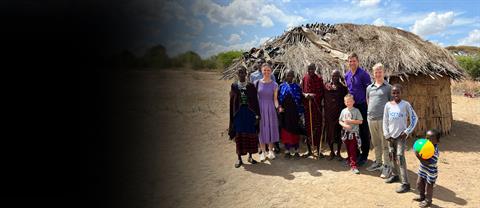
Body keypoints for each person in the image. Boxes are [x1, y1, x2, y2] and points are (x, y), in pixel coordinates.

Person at [383, 84, 418, 193]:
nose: (396, 94)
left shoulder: (405, 105)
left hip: (400, 136)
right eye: (394, 92)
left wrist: (407, 131)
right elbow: (385, 121)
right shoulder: (388, 105)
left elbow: (414, 118)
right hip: (391, 136)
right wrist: (386, 134)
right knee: (392, 155)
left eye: (398, 92)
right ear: (391, 94)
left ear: (401, 93)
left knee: (400, 157)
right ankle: (395, 175)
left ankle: (405, 183)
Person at [229, 66, 261, 168]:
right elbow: (232, 102)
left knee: (250, 133)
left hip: (249, 113)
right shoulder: (234, 86)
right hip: (239, 114)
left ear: (246, 74)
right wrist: (233, 117)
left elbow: (255, 102)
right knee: (239, 135)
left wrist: (257, 116)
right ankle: (239, 158)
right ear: (237, 74)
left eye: (243, 72)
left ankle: (250, 156)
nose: (241, 74)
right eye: (239, 73)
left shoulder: (251, 86)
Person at [344, 53, 372, 166]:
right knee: (353, 130)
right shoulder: (347, 75)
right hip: (352, 107)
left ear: (358, 61)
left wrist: (369, 106)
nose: (352, 63)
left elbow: (369, 92)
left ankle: (364, 155)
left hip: (362, 106)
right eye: (350, 61)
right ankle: (355, 154)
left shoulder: (364, 74)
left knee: (364, 131)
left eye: (354, 61)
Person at [365, 63, 393, 177]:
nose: (378, 74)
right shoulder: (369, 88)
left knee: (385, 144)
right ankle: (378, 162)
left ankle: (387, 166)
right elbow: (368, 101)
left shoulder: (388, 87)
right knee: (375, 143)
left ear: (383, 72)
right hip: (371, 119)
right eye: (375, 72)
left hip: (383, 120)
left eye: (380, 71)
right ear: (373, 73)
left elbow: (392, 104)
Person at [256, 63, 280, 162]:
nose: (266, 72)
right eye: (264, 70)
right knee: (261, 130)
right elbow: (254, 98)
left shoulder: (275, 84)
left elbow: (275, 99)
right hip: (260, 108)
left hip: (270, 109)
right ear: (261, 71)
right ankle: (263, 152)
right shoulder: (256, 83)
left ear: (271, 71)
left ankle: (270, 150)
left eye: (268, 70)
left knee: (270, 129)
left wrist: (278, 108)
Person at [278, 70, 304, 159]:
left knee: (295, 131)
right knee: (286, 131)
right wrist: (280, 107)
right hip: (285, 113)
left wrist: (300, 112)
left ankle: (296, 150)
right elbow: (278, 99)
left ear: (293, 76)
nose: (289, 77)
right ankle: (287, 150)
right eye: (288, 75)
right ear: (285, 76)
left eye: (291, 75)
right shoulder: (281, 86)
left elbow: (300, 100)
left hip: (294, 113)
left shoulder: (297, 87)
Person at [301, 63, 325, 158]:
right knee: (308, 129)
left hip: (316, 108)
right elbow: (301, 91)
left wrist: (314, 96)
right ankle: (309, 150)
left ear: (315, 69)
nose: (310, 71)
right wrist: (305, 95)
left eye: (312, 69)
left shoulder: (319, 79)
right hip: (308, 108)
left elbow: (322, 93)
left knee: (317, 129)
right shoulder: (304, 78)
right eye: (309, 69)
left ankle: (318, 150)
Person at [324, 70, 348, 160]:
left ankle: (338, 153)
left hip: (339, 114)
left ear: (339, 77)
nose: (335, 78)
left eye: (337, 76)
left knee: (338, 133)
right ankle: (332, 152)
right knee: (330, 133)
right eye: (333, 76)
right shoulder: (326, 86)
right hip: (329, 114)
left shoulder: (342, 88)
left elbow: (346, 99)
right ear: (331, 76)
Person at [413, 129, 440, 208]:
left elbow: (427, 162)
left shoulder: (434, 151)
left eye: (431, 139)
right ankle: (422, 196)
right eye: (427, 138)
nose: (428, 140)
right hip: (423, 169)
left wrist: (418, 155)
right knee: (419, 183)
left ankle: (428, 201)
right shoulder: (425, 147)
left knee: (429, 187)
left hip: (431, 171)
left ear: (437, 141)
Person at [339, 94, 363, 174]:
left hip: (353, 133)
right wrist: (345, 125)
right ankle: (349, 160)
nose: (349, 103)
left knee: (353, 149)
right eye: (347, 101)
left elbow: (360, 121)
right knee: (348, 148)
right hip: (346, 133)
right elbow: (340, 121)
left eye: (350, 101)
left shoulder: (356, 111)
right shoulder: (343, 111)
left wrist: (351, 121)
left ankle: (353, 165)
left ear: (353, 102)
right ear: (345, 102)